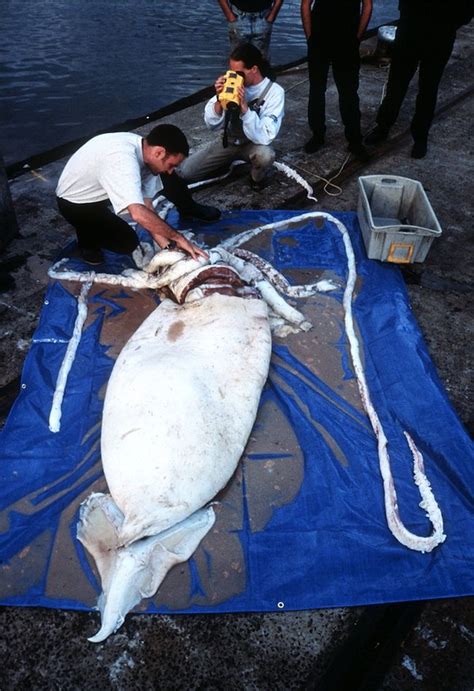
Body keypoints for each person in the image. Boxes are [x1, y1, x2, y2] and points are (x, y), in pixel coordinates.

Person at [56, 124, 217, 265]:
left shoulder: (145, 150)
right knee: (126, 243)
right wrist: (178, 238)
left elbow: (147, 206)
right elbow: (138, 214)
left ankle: (189, 208)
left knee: (170, 179)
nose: (170, 170)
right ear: (159, 152)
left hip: (99, 186)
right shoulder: (123, 161)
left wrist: (169, 248)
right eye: (170, 165)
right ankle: (86, 237)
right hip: (75, 203)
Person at [365, 0, 473, 158]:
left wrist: (447, 24)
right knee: (397, 84)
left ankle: (420, 137)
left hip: (440, 36)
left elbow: (467, 11)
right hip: (411, 32)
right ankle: (383, 126)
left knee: (428, 89)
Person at [177, 43, 285, 191]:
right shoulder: (231, 82)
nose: (234, 77)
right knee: (186, 173)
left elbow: (267, 135)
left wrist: (245, 109)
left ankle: (256, 178)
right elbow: (211, 125)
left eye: (239, 73)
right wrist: (219, 100)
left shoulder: (275, 92)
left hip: (253, 144)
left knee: (265, 156)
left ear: (254, 69)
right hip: (230, 141)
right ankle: (224, 163)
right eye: (231, 71)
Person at [301, 0, 373, 160]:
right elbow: (305, 3)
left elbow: (367, 5)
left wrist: (357, 38)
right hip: (319, 39)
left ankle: (354, 140)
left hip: (347, 41)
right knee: (316, 90)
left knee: (349, 92)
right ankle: (317, 135)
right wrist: (310, 38)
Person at [217, 0, 284, 59]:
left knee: (261, 62)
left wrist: (271, 17)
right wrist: (230, 17)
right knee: (238, 60)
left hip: (263, 17)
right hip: (239, 17)